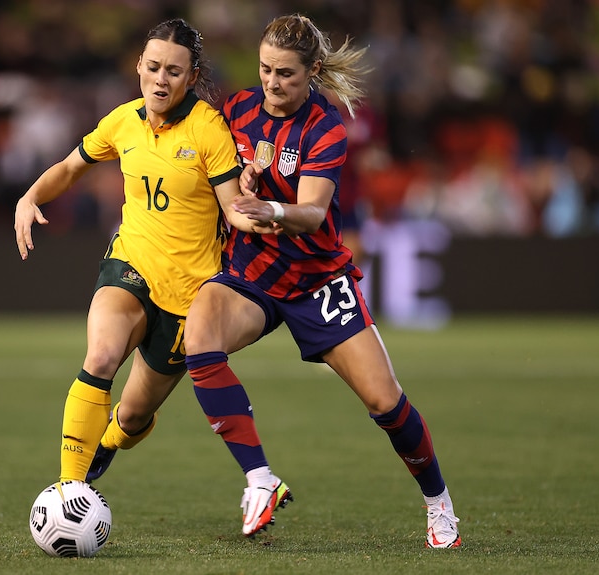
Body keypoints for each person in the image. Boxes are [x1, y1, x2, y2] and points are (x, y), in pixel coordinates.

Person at [182, 14, 462, 548]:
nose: (272, 82)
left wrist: (268, 206)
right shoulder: (237, 109)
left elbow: (312, 213)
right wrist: (239, 179)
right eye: (265, 69)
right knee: (200, 338)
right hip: (252, 273)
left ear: (311, 71)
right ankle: (260, 479)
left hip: (317, 282)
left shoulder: (325, 127)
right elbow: (217, 173)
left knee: (385, 402)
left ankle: (438, 501)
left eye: (285, 73)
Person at [13, 19, 271, 491]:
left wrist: (268, 214)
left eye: (174, 71)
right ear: (138, 67)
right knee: (102, 356)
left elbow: (234, 211)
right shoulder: (122, 120)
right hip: (130, 266)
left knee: (132, 416)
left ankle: (107, 444)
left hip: (188, 299)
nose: (160, 79)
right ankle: (69, 489)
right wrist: (29, 197)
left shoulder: (209, 131)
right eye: (153, 67)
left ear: (192, 77)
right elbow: (71, 167)